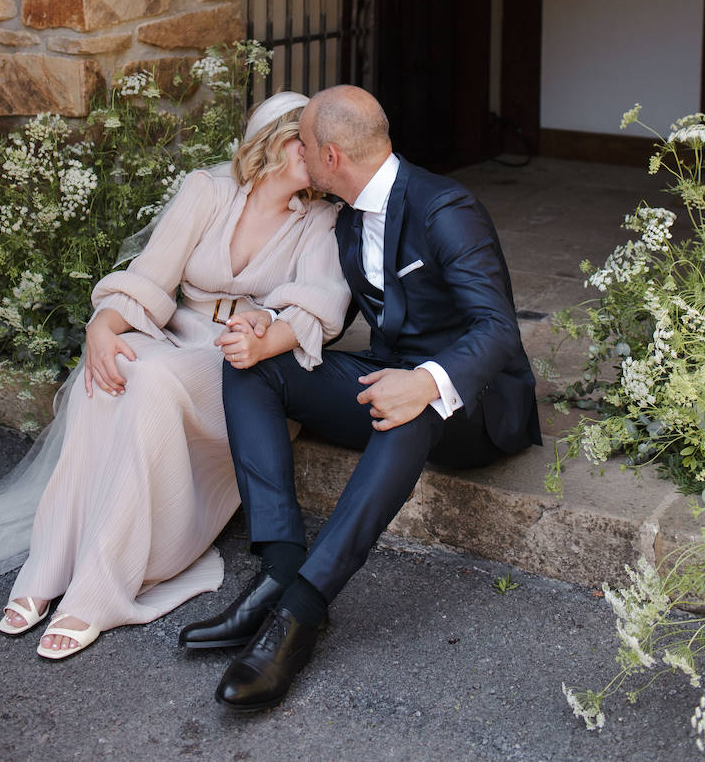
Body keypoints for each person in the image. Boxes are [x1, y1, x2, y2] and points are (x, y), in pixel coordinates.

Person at [0, 93, 350, 660]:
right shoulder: (206, 192)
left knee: (151, 379)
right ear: (274, 142)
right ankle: (53, 562)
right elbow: (151, 278)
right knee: (113, 366)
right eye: (302, 139)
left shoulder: (322, 220)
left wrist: (266, 334)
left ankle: (101, 587)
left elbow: (317, 308)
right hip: (179, 339)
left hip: (244, 369)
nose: (315, 152)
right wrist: (103, 328)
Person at [180, 84, 541, 711]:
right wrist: (268, 325)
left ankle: (301, 613)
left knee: (407, 406)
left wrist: (426, 381)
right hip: (388, 375)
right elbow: (335, 308)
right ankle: (281, 568)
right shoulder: (348, 216)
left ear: (331, 156)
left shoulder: (444, 207)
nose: (299, 156)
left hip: (473, 408)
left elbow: (498, 332)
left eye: (303, 145)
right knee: (252, 366)